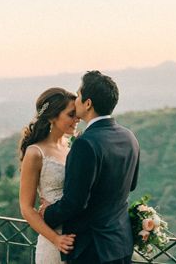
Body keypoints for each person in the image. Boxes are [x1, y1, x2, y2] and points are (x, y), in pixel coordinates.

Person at [39, 70, 140, 264]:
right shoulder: (129, 137)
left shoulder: (85, 143)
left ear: (88, 103)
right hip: (121, 244)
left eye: (78, 95)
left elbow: (75, 201)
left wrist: (47, 214)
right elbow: (131, 185)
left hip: (92, 249)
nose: (75, 100)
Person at [19, 87, 80, 264]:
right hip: (55, 239)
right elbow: (26, 208)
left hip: (79, 235)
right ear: (53, 116)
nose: (77, 119)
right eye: (71, 115)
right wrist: (56, 239)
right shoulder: (35, 153)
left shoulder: (74, 146)